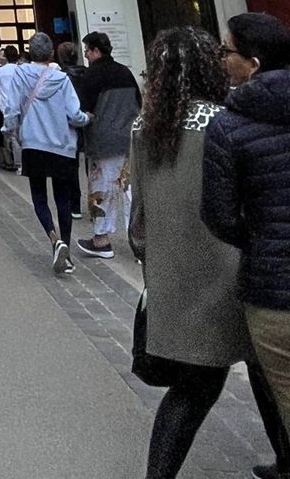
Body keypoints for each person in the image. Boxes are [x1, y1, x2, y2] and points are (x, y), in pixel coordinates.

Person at [129, 25, 290, 479]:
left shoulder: (145, 126)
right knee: (267, 378)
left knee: (193, 388)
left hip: (178, 275)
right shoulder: (227, 119)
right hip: (237, 267)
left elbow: (137, 216)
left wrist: (151, 261)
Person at [203, 11, 290, 444]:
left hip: (275, 289)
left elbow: (218, 215)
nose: (220, 58)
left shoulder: (229, 124)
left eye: (227, 51)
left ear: (253, 64)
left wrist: (260, 241)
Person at [4, 32, 88, 275]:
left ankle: (54, 240)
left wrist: (10, 131)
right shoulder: (61, 79)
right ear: (50, 53)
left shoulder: (19, 74)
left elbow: (11, 107)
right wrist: (86, 119)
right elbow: (74, 114)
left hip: (33, 143)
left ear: (30, 52)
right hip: (62, 145)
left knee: (39, 196)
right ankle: (67, 249)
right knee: (63, 199)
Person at [76, 30, 141, 260]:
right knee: (130, 191)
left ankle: (101, 240)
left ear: (95, 50)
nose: (86, 55)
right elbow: (138, 103)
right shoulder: (125, 72)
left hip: (103, 141)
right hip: (128, 139)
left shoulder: (92, 75)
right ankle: (141, 243)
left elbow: (84, 109)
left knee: (101, 190)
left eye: (87, 50)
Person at [57, 40, 88, 217]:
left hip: (69, 122)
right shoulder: (88, 73)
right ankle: (96, 202)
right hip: (87, 118)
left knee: (71, 165)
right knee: (92, 165)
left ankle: (74, 204)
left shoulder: (62, 77)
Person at [0, 44, 23, 171]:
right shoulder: (21, 70)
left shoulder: (0, 71)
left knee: (8, 135)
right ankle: (21, 163)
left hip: (6, 107)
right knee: (21, 135)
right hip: (21, 105)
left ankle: (10, 161)